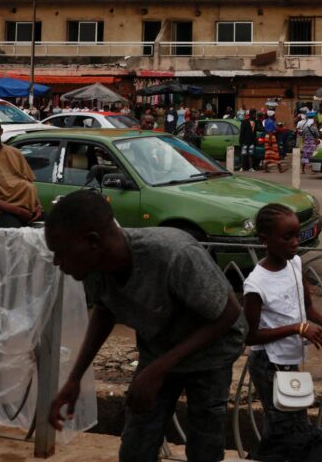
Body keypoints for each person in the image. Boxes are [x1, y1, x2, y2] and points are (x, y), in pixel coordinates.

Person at [45, 190, 247, 462]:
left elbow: (228, 314)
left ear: (93, 241)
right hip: (159, 349)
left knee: (204, 444)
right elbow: (105, 310)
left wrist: (157, 369)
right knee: (137, 442)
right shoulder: (93, 267)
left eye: (61, 253)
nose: (58, 262)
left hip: (211, 352)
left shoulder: (173, 254)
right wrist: (74, 378)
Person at [242, 204, 322, 462]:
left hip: (290, 361)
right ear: (264, 240)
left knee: (286, 426)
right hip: (269, 364)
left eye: (296, 236)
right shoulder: (256, 283)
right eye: (287, 237)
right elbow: (250, 336)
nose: (294, 243)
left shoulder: (296, 263)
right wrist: (297, 328)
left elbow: (307, 307)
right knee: (287, 432)